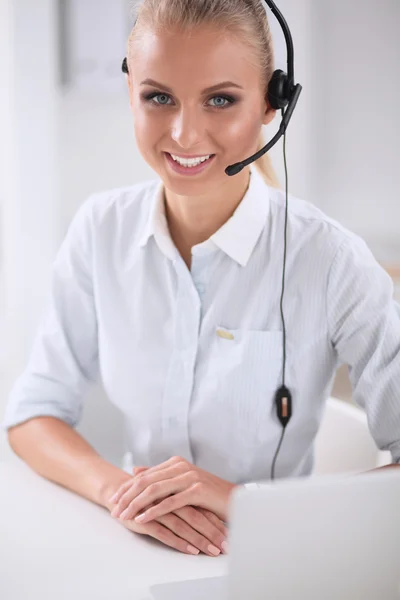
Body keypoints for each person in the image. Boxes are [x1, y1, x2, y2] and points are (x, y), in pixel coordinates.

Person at [3, 0, 400, 560]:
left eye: (220, 99)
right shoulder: (101, 229)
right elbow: (32, 413)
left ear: (271, 104)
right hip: (131, 548)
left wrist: (235, 500)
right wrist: (122, 492)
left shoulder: (330, 260)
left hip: (280, 562)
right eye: (158, 97)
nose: (185, 134)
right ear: (131, 93)